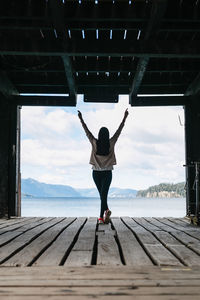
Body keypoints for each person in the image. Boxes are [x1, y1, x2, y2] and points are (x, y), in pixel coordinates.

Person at [78, 109, 129, 224]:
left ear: (99, 135)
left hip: (96, 173)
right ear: (108, 135)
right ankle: (105, 212)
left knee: (102, 195)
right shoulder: (111, 142)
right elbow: (119, 131)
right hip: (107, 173)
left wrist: (81, 119)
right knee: (103, 195)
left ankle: (101, 216)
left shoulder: (94, 142)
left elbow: (86, 131)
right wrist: (124, 118)